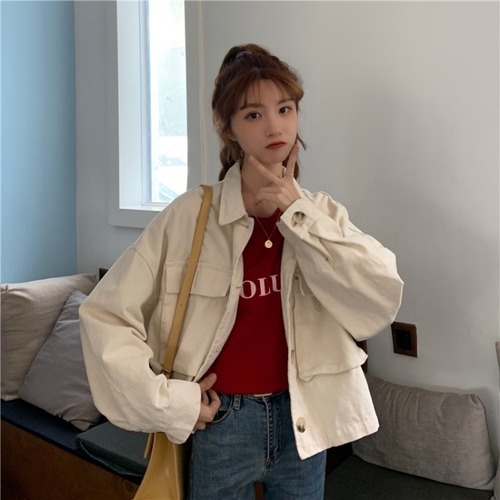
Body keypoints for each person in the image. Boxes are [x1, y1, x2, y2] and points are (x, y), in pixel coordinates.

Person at [79, 43, 403, 499]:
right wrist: (171, 404)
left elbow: (379, 299)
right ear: (227, 126)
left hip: (304, 420)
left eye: (285, 109)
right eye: (253, 114)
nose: (275, 126)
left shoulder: (322, 214)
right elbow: (103, 315)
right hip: (223, 422)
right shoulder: (191, 216)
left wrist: (298, 213)